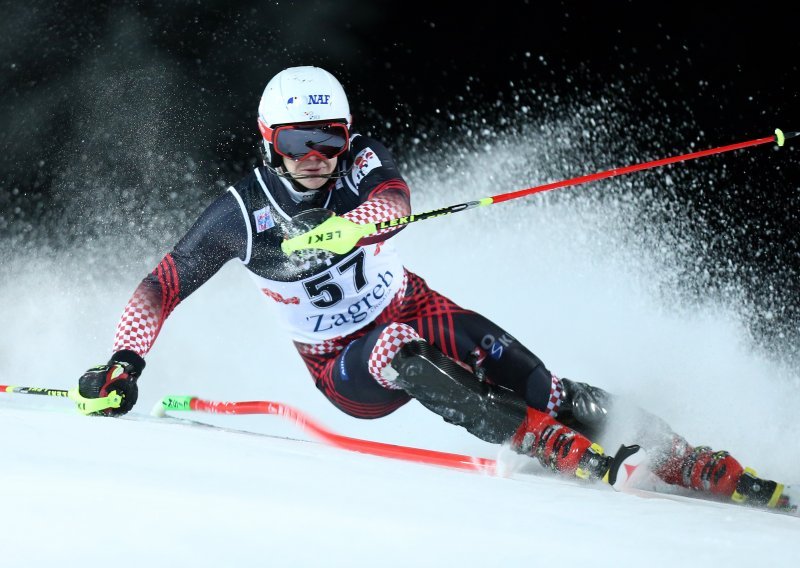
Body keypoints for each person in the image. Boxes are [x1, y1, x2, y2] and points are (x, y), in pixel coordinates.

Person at [77, 66, 794, 513]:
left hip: (416, 304)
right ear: (270, 143)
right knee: (394, 345)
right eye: (300, 144)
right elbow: (162, 283)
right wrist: (125, 363)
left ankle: (673, 451)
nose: (318, 158)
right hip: (343, 364)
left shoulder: (357, 162)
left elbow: (393, 198)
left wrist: (348, 226)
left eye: (330, 139)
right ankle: (533, 439)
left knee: (539, 381)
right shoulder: (242, 211)